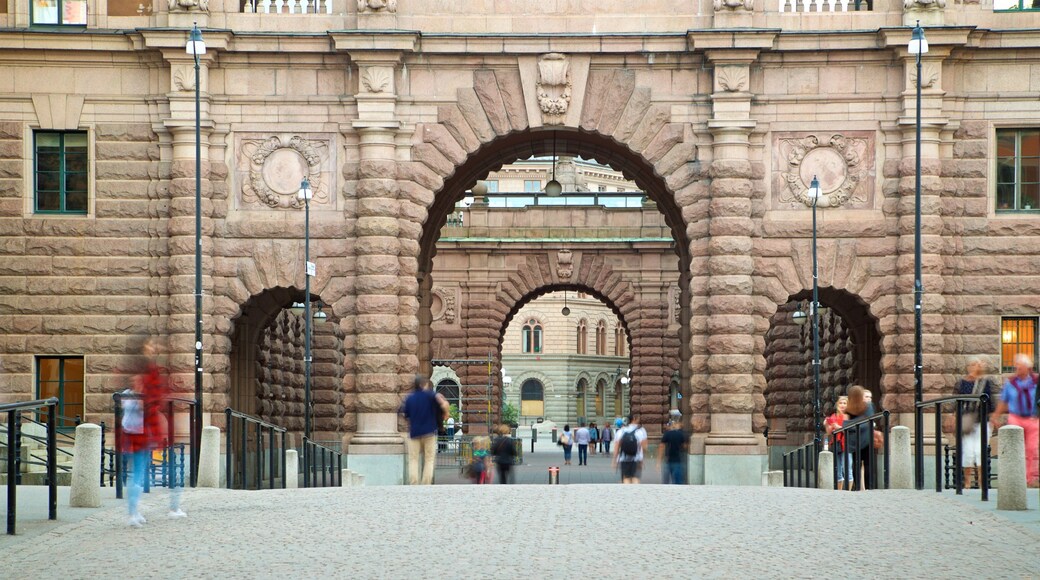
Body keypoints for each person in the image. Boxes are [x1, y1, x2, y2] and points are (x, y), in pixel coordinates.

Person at [122, 335, 184, 527]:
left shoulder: (142, 378)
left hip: (140, 432)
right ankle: (138, 513)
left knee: (144, 470)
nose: (154, 348)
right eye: (150, 345)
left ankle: (137, 512)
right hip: (142, 433)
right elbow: (148, 404)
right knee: (146, 471)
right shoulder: (144, 375)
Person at [991, 354, 1039, 487]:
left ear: (1027, 367)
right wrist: (995, 416)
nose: (1016, 368)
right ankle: (1015, 478)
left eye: (1019, 366)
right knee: (1014, 448)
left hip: (1032, 418)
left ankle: (1030, 479)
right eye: (1016, 365)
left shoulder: (1036, 381)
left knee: (1031, 449)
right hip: (1015, 418)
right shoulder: (1011, 383)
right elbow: (1004, 401)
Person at [400, 375, 448, 485]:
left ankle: (414, 483)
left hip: (414, 433)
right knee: (429, 459)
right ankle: (426, 484)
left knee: (413, 459)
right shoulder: (431, 395)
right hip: (429, 432)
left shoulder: (410, 398)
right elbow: (445, 404)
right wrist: (445, 414)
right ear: (423, 384)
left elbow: (405, 414)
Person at [956, 359, 996, 489]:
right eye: (972, 364)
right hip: (967, 421)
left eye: (976, 364)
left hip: (982, 421)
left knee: (980, 451)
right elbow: (957, 402)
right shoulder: (962, 383)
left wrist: (993, 418)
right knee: (967, 451)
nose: (974, 367)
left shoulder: (985, 383)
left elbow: (990, 402)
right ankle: (967, 483)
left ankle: (981, 483)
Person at [844, 386, 875, 491]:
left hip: (854, 441)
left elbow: (845, 425)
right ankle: (869, 487)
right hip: (867, 439)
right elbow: (869, 420)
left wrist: (852, 425)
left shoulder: (849, 409)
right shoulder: (868, 406)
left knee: (856, 464)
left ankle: (857, 487)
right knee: (868, 464)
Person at [824, 395, 851, 491]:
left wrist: (838, 427)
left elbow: (850, 430)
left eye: (845, 403)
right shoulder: (833, 416)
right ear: (837, 404)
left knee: (847, 468)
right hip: (836, 444)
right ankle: (839, 493)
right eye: (841, 403)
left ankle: (848, 493)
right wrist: (827, 424)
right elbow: (829, 432)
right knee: (838, 470)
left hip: (846, 445)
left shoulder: (848, 416)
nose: (842, 405)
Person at [612, 414, 648, 484]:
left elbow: (617, 447)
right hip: (637, 459)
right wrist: (642, 459)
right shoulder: (640, 431)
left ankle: (628, 493)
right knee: (635, 478)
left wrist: (614, 461)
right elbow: (644, 447)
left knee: (626, 478)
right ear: (634, 419)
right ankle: (636, 493)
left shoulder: (621, 431)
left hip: (624, 458)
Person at [657, 420, 687, 484]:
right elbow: (684, 447)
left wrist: (658, 462)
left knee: (666, 481)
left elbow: (661, 447)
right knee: (677, 482)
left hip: (667, 460)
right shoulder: (680, 434)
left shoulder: (667, 434)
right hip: (677, 460)